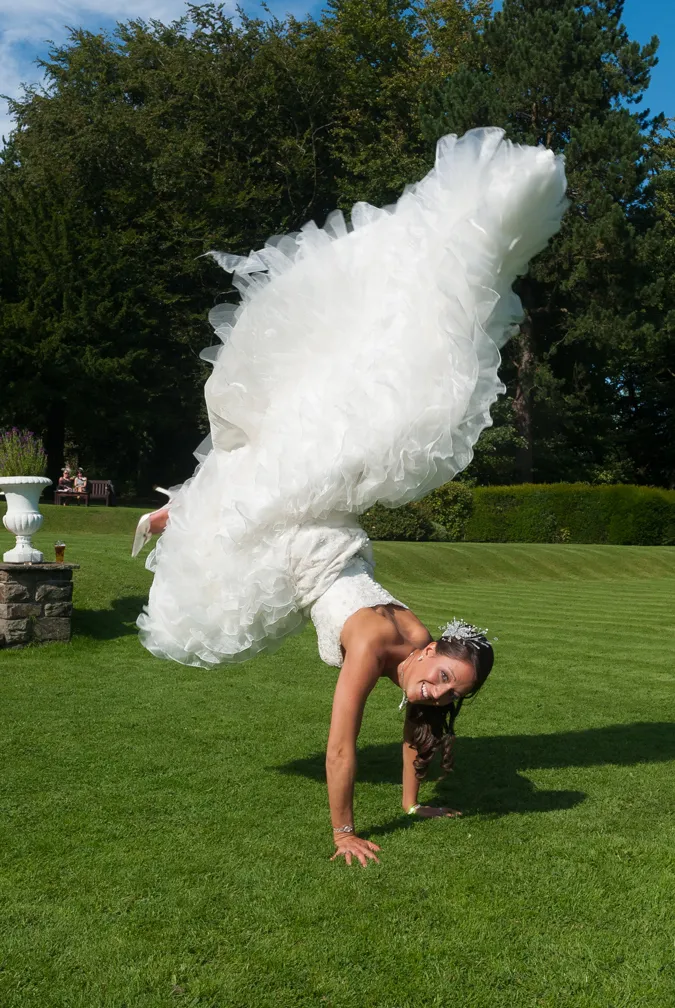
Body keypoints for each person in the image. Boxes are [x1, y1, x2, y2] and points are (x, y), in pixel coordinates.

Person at [133, 127, 566, 863]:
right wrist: (343, 832)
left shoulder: (413, 659)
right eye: (438, 676)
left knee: (283, 465)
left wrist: (410, 804)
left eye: (444, 690)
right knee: (299, 456)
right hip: (318, 545)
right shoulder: (371, 645)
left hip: (328, 547)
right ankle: (181, 511)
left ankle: (183, 510)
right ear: (429, 648)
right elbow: (341, 746)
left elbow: (409, 730)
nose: (431, 691)